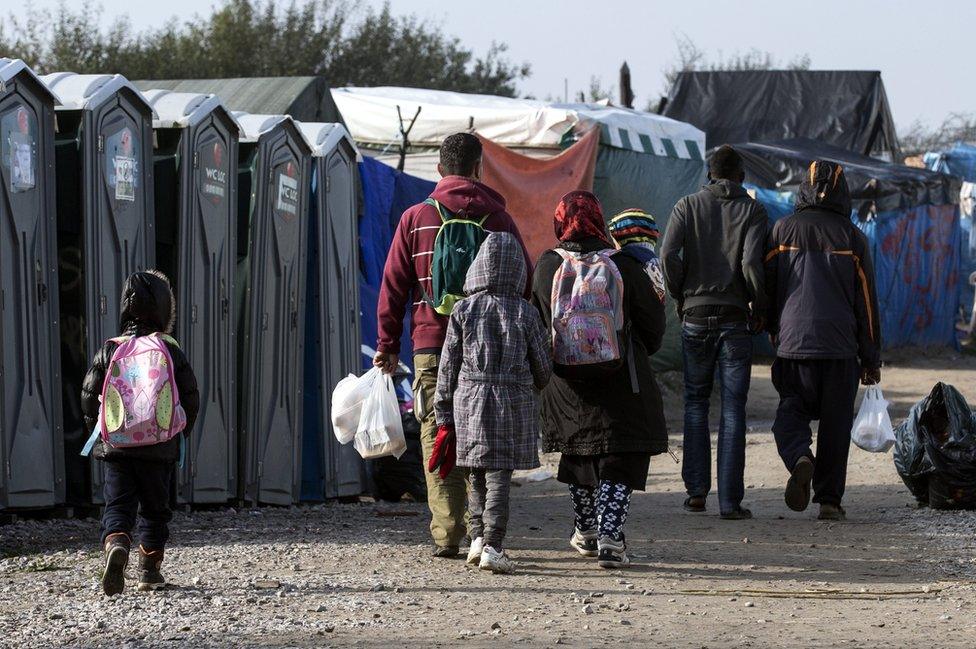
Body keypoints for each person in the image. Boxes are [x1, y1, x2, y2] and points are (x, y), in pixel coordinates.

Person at [373, 132, 533, 558]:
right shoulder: (499, 219)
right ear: (479, 168)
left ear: (440, 169)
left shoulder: (416, 217)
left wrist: (387, 344)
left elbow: (393, 285)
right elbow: (525, 280)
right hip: (490, 345)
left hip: (432, 340)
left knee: (436, 427)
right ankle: (482, 528)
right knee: (482, 430)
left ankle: (448, 531)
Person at [532, 191, 667, 569]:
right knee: (620, 456)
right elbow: (654, 329)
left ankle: (587, 530)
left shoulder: (546, 266)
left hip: (565, 384)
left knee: (578, 450)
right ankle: (611, 536)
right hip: (622, 379)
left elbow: (537, 320)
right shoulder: (624, 265)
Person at [765, 160, 881, 521]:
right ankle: (829, 500)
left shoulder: (781, 232)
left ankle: (800, 455)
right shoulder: (853, 237)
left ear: (804, 187)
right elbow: (866, 304)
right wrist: (871, 357)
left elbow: (768, 288)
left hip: (794, 342)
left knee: (790, 410)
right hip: (840, 346)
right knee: (836, 423)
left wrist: (772, 328)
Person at [433, 232, 552, 574]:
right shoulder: (526, 313)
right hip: (511, 402)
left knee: (475, 475)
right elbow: (543, 370)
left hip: (469, 400)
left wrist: (443, 414)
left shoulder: (463, 310)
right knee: (499, 476)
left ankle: (475, 540)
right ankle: (493, 545)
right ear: (519, 271)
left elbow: (447, 368)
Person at [659, 144, 768, 520]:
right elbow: (752, 263)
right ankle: (730, 502)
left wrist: (681, 293)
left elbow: (667, 256)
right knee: (733, 409)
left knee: (695, 404)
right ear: (740, 176)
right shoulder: (753, 210)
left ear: (710, 173)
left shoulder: (686, 206)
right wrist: (760, 304)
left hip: (695, 315)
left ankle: (696, 493)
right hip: (736, 319)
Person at [81, 271, 199, 595]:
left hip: (117, 447)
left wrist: (99, 431)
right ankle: (148, 568)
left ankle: (117, 542)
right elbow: (190, 396)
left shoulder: (110, 348)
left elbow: (90, 394)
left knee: (117, 505)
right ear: (165, 310)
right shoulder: (170, 349)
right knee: (154, 509)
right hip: (158, 449)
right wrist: (179, 431)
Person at [608, 208, 666, 305]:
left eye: (615, 241)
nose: (615, 246)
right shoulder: (654, 263)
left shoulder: (626, 263)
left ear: (625, 238)